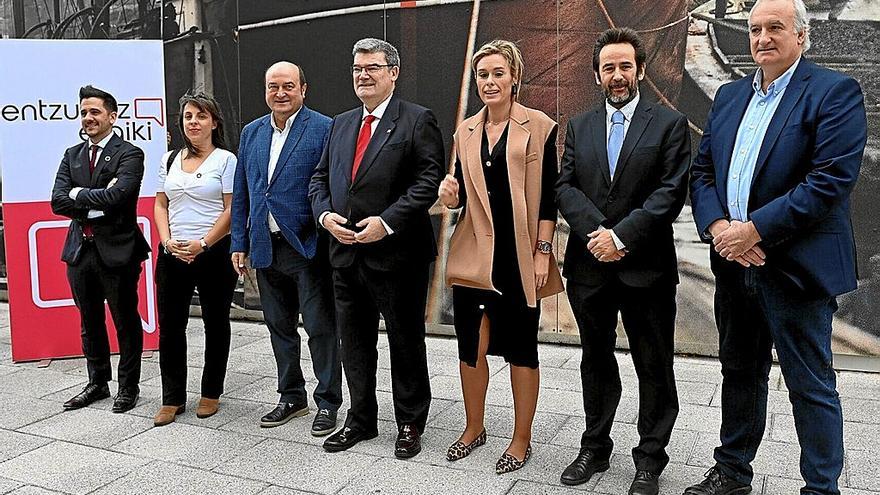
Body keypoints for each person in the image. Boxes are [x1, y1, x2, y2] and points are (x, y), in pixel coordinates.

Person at [687, 0, 867, 493]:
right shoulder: (728, 98)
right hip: (733, 264)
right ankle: (732, 472)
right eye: (754, 29)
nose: (763, 37)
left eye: (775, 28)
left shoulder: (834, 92)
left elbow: (830, 179)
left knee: (810, 384)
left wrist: (754, 230)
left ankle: (820, 487)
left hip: (793, 266)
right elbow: (703, 173)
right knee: (739, 373)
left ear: (801, 36)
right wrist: (720, 227)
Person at [554, 28, 690, 495]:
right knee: (594, 359)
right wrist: (598, 234)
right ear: (597, 74)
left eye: (625, 66)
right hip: (590, 266)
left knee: (654, 364)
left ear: (641, 70)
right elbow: (564, 186)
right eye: (608, 67)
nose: (617, 75)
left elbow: (671, 192)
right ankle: (595, 446)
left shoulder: (669, 124)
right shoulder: (579, 125)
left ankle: (650, 458)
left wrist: (622, 237)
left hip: (645, 267)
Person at [309, 38, 445, 458]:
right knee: (354, 342)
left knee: (405, 342)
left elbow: (428, 182)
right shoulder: (342, 122)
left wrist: (386, 224)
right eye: (357, 69)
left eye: (372, 67)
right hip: (346, 254)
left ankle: (409, 422)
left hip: (398, 255)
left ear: (393, 72)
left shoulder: (417, 120)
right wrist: (325, 216)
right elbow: (319, 179)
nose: (363, 75)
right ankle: (361, 419)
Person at [438, 39, 563, 474]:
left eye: (497, 74)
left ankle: (520, 439)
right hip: (475, 254)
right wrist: (449, 196)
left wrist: (543, 252)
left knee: (522, 349)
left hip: (520, 255)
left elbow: (549, 198)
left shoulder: (540, 126)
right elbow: (459, 194)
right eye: (482, 75)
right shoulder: (465, 130)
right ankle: (474, 428)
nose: (489, 82)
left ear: (515, 78)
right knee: (470, 346)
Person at [231, 61, 343, 435]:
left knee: (320, 327)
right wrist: (239, 242)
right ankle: (291, 396)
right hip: (265, 246)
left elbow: (328, 186)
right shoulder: (251, 132)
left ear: (303, 89)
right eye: (273, 86)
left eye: (288, 86)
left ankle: (327, 401)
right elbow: (244, 192)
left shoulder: (324, 129)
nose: (280, 93)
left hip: (306, 246)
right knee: (279, 327)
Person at [50, 85, 150, 413]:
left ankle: (128, 386)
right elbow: (57, 201)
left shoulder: (130, 154)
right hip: (80, 251)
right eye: (83, 113)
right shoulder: (71, 154)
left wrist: (78, 195)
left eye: (95, 112)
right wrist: (90, 198)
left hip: (118, 250)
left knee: (124, 320)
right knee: (89, 321)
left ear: (112, 115)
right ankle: (97, 383)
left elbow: (118, 198)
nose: (88, 118)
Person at [152, 92, 238, 426]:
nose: (193, 122)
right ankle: (171, 398)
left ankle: (210, 393)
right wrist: (167, 241)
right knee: (171, 326)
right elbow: (161, 204)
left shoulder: (226, 160)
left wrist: (203, 243)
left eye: (201, 116)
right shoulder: (169, 159)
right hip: (173, 253)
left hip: (213, 252)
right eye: (188, 116)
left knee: (216, 324)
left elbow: (231, 208)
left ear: (214, 122)